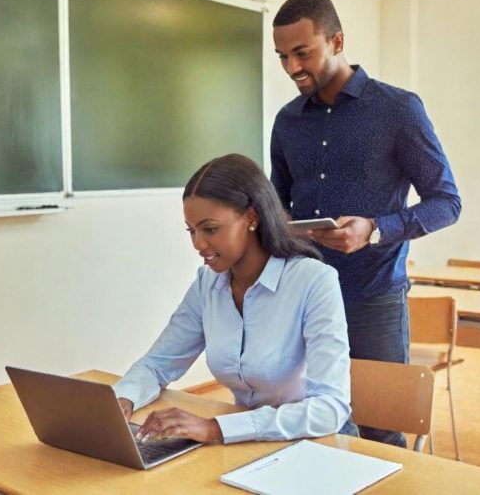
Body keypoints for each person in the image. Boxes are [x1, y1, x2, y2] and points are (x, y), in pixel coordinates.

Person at [270, 0, 461, 448]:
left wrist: (374, 228)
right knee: (312, 418)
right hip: (305, 294)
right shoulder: (286, 122)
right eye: (282, 56)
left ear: (337, 41)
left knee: (379, 428)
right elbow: (279, 204)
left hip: (373, 295)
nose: (293, 67)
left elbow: (446, 202)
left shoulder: (398, 109)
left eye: (303, 53)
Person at [113, 153, 355, 444]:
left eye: (210, 229)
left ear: (251, 217)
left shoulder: (313, 281)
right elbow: (158, 364)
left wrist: (216, 428)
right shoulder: (208, 284)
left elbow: (328, 409)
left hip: (314, 442)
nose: (198, 244)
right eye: (192, 231)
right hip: (247, 442)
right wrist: (122, 400)